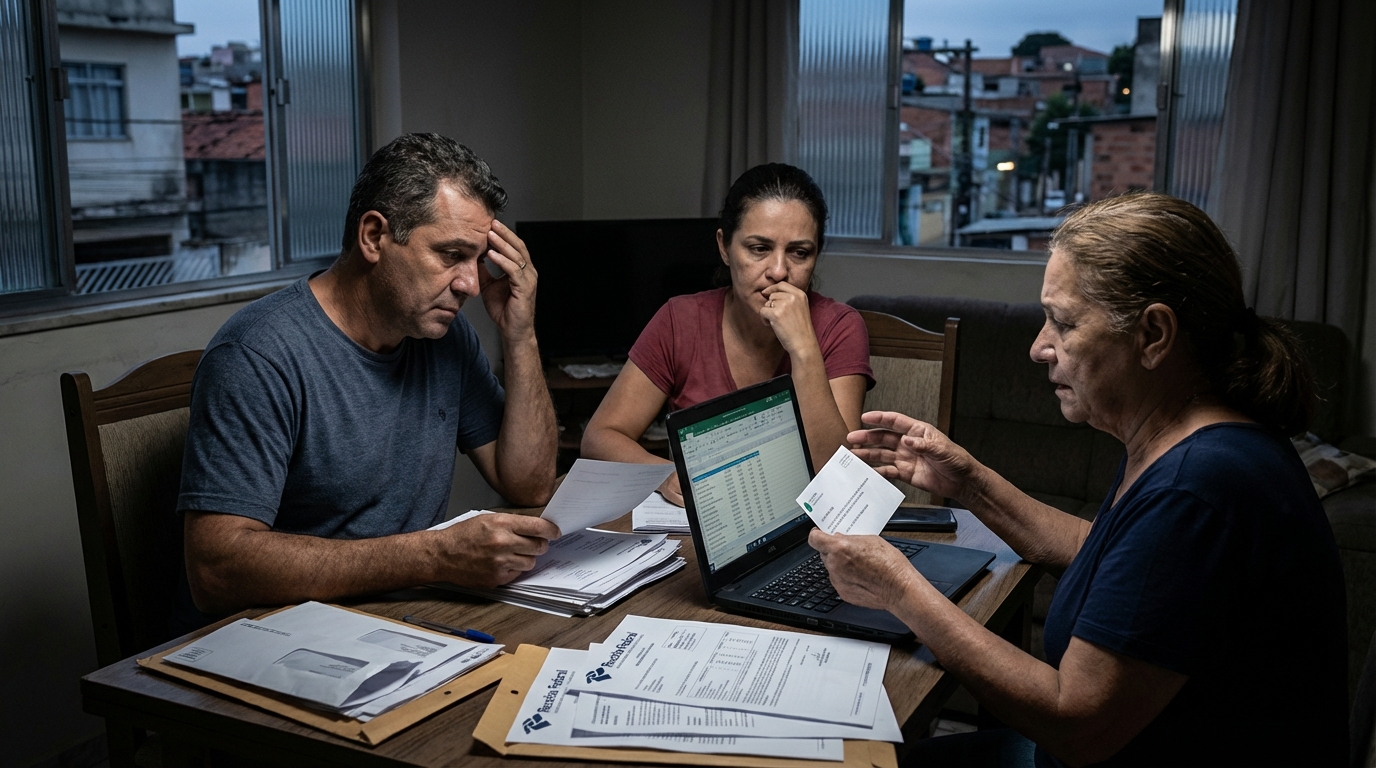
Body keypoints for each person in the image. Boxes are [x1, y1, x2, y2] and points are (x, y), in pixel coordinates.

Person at [810, 193, 1348, 767]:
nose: (1039, 346)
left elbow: (1076, 726)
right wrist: (970, 482)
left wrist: (897, 587)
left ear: (1154, 335)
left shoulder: (1195, 487)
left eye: (1063, 323)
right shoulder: (1191, 436)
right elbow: (1118, 562)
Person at [177, 133, 561, 617]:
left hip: (402, 617)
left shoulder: (444, 338)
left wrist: (520, 334)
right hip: (281, 635)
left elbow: (528, 486)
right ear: (375, 237)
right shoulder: (258, 354)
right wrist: (435, 554)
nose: (468, 284)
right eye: (450, 256)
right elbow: (216, 569)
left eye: (476, 261)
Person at [581, 163, 873, 504]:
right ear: (724, 246)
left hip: (806, 528)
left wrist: (804, 351)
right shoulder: (681, 320)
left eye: (799, 252)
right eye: (759, 248)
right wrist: (665, 475)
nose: (779, 271)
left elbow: (837, 477)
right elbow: (599, 437)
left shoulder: (840, 326)